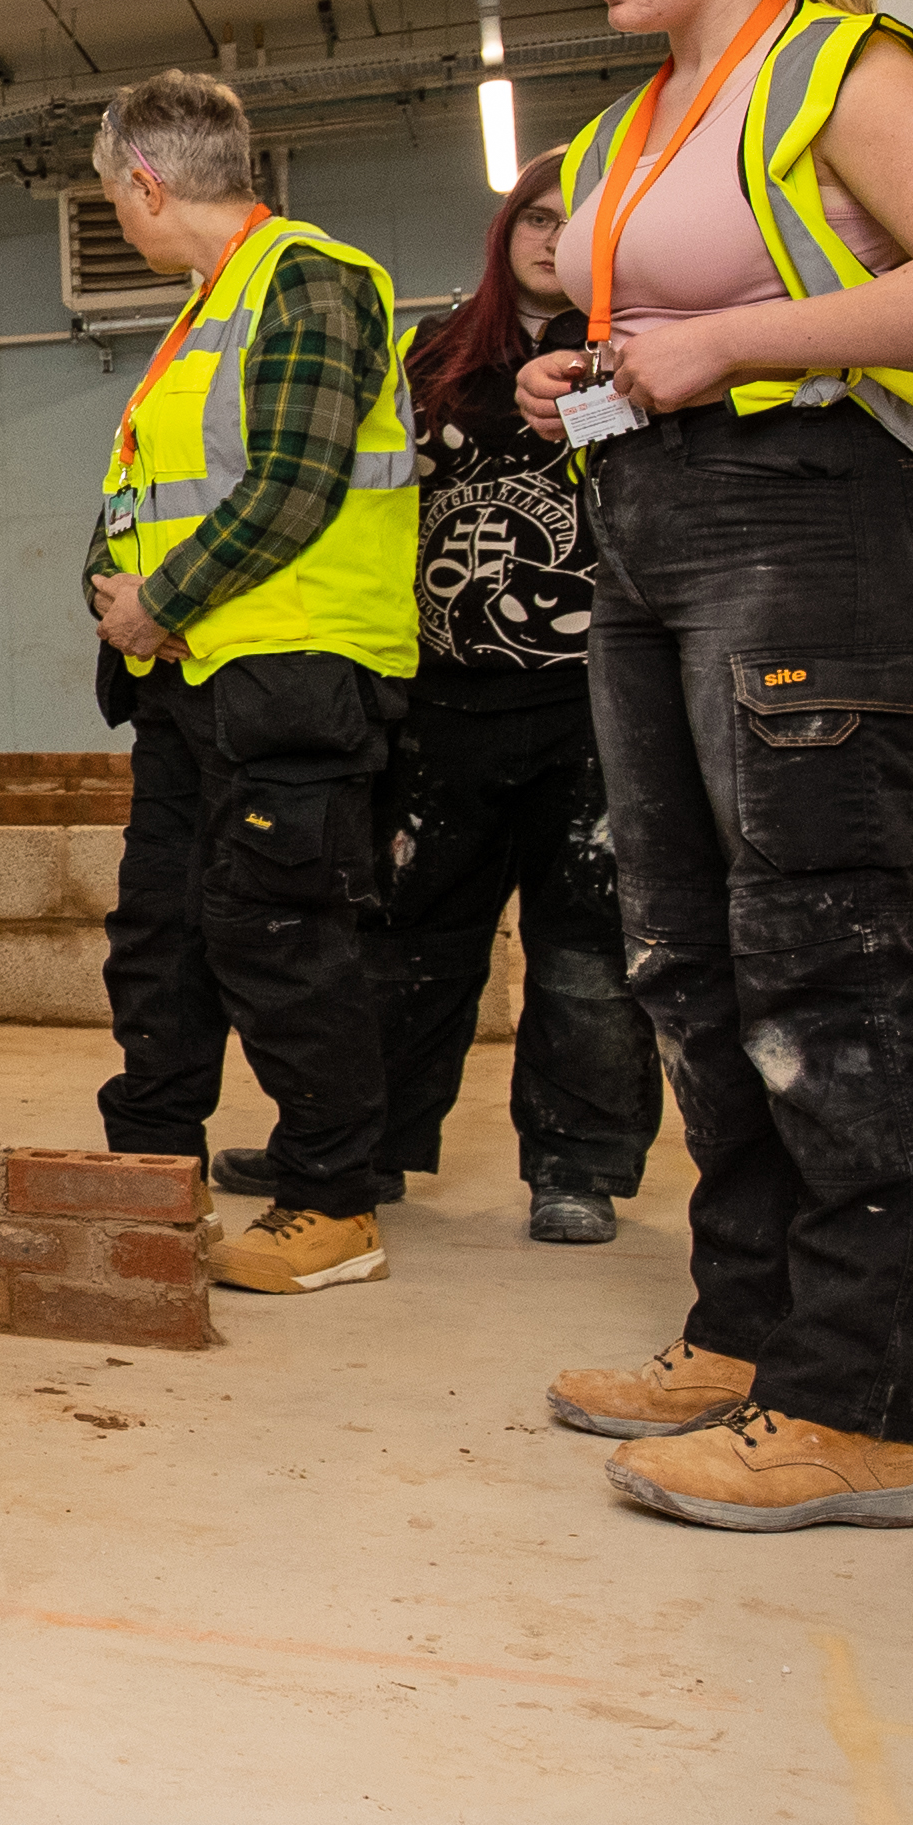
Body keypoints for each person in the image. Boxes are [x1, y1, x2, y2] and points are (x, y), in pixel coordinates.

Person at [528, 0, 913, 1533]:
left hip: (808, 513)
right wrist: (579, 380)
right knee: (683, 948)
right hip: (647, 514)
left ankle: (851, 1405)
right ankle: (744, 1331)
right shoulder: (625, 133)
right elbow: (653, 345)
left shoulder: (842, 71)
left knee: (820, 952)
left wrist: (726, 340)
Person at [215, 157, 661, 1242]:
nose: (552, 239)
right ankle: (363, 1145)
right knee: (406, 940)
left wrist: (593, 379)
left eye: (576, 222)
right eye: (536, 219)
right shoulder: (435, 348)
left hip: (588, 697)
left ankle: (576, 1166)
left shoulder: (641, 346)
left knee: (583, 952)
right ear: (504, 229)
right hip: (442, 694)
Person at [84, 69, 419, 1298]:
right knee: (163, 934)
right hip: (190, 679)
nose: (114, 212)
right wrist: (112, 593)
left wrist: (157, 602)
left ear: (145, 181)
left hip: (294, 671)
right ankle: (149, 1169)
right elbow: (138, 496)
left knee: (279, 937)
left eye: (111, 192)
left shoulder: (310, 278)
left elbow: (292, 481)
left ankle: (331, 1202)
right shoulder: (200, 310)